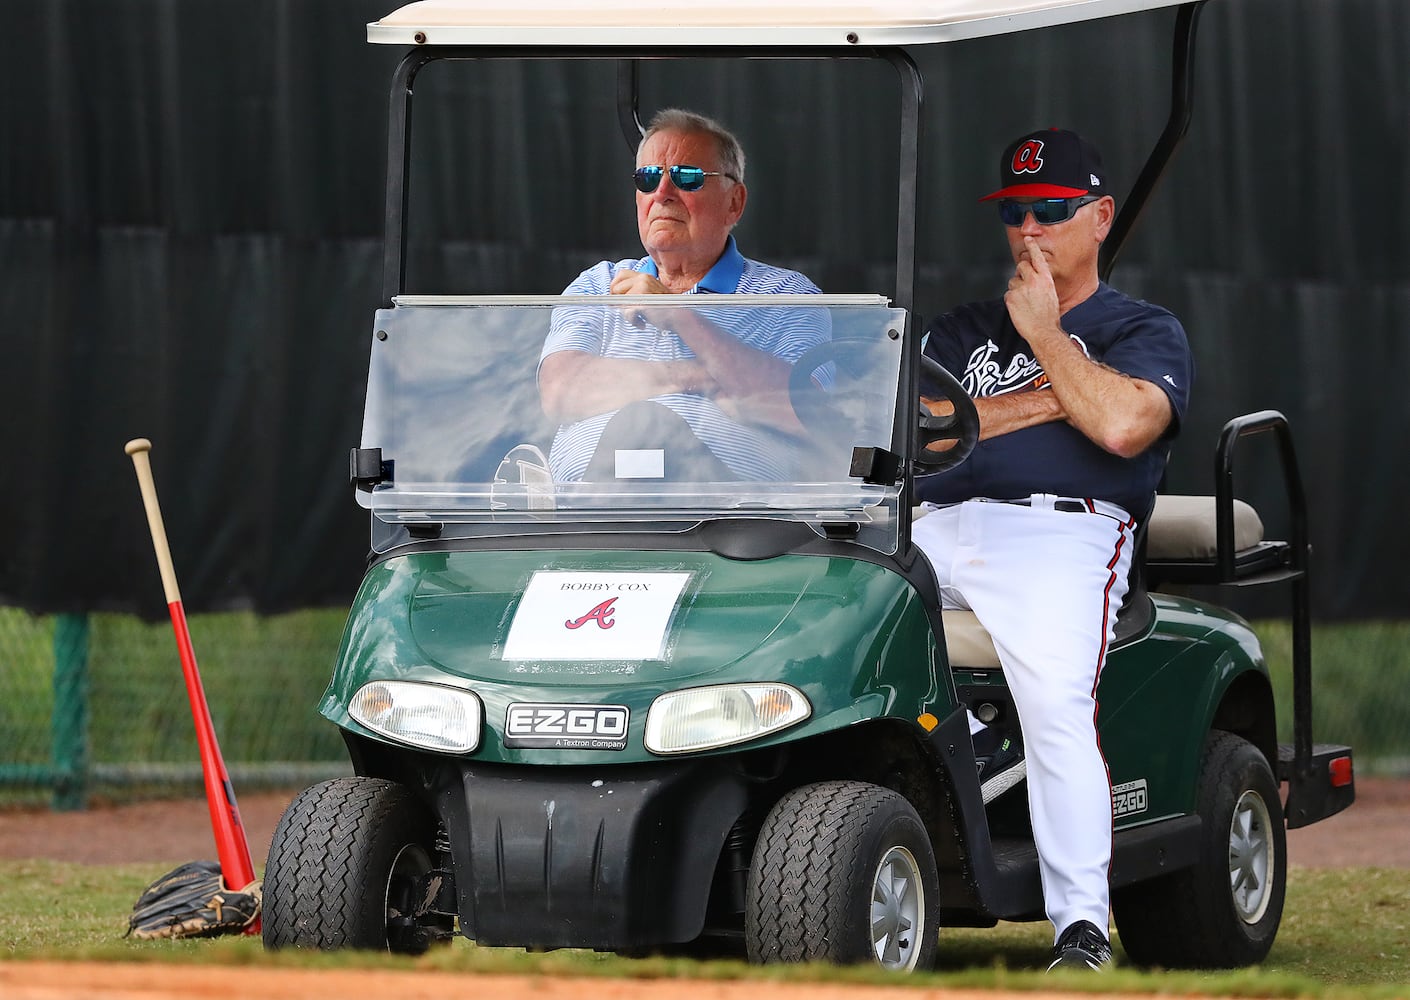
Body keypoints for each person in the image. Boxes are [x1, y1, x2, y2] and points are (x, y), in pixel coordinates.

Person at [914, 127, 1194, 971]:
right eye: (1016, 212)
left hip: (1062, 531)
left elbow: (1120, 424)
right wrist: (1051, 400)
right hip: (930, 523)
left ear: (1101, 216)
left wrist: (1045, 340)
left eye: (1053, 210)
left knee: (1054, 704)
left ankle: (1082, 928)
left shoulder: (1142, 327)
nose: (1031, 228)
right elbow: (919, 440)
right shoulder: (962, 327)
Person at [537, 108, 827, 484]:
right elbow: (561, 393)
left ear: (734, 203)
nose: (661, 193)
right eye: (648, 178)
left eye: (686, 177)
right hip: (591, 519)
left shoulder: (787, 296)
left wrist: (681, 316)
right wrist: (701, 377)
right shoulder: (598, 284)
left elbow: (808, 413)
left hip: (730, 523)